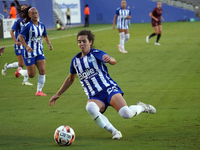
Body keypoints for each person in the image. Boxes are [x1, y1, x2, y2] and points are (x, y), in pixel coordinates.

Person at [49, 30, 156, 139]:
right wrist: (58, 94)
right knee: (90, 107)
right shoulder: (75, 61)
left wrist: (110, 59)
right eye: (79, 42)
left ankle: (142, 107)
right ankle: (114, 132)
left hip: (109, 89)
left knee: (126, 114)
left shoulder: (96, 53)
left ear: (90, 42)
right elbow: (70, 79)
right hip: (95, 96)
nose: (81, 44)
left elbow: (113, 60)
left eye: (84, 41)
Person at [18, 7, 53, 96]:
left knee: (42, 70)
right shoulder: (28, 26)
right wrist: (26, 46)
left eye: (36, 13)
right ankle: (20, 71)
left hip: (39, 51)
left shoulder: (41, 25)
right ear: (29, 15)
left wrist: (49, 44)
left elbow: (45, 35)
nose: (35, 15)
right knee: (31, 75)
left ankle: (39, 91)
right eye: (33, 13)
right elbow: (20, 37)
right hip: (29, 52)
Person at [2, 4, 33, 86]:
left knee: (28, 62)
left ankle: (25, 80)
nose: (23, 10)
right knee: (22, 64)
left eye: (25, 9)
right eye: (22, 9)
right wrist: (15, 41)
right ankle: (8, 66)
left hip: (27, 44)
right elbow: (11, 31)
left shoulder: (30, 21)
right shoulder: (18, 21)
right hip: (19, 45)